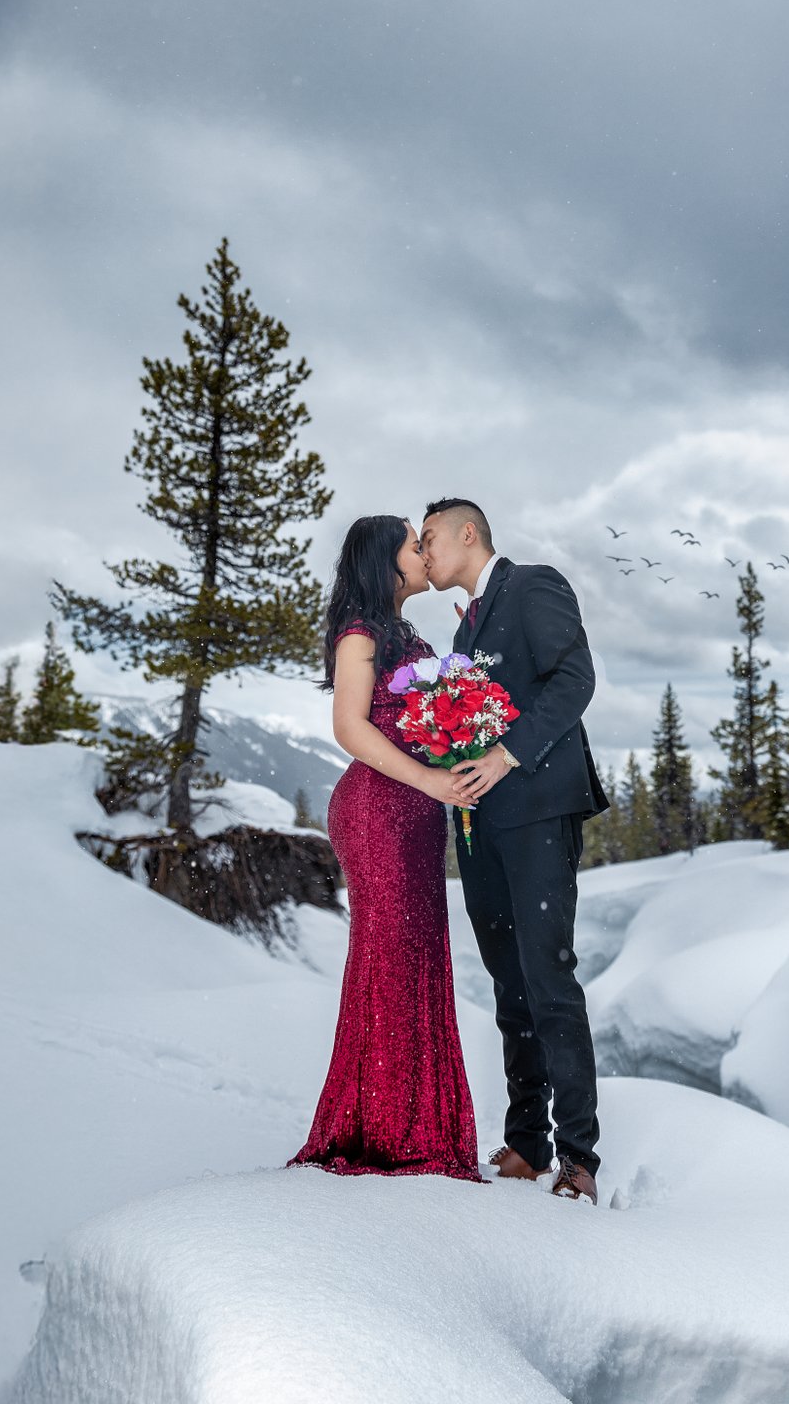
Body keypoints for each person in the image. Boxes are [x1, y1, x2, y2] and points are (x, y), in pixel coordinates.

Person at [419, 498, 609, 1205]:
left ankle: (578, 1158)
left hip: (537, 810)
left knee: (548, 980)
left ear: (469, 534)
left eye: (430, 538)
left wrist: (504, 755)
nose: (424, 551)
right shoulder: (465, 626)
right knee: (508, 984)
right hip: (480, 826)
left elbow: (574, 680)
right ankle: (526, 1142)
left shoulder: (533, 585)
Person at [290, 515, 480, 1180]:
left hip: (417, 816)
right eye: (411, 542)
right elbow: (348, 726)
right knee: (392, 963)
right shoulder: (361, 632)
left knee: (419, 960)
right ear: (383, 562)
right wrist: (430, 775)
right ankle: (389, 1136)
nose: (423, 551)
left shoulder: (408, 633)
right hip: (379, 810)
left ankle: (418, 1129)